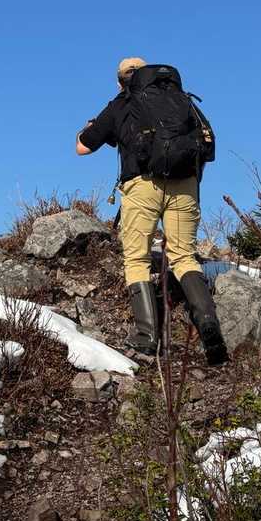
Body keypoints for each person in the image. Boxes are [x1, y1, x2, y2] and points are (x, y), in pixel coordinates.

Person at [76, 57, 228, 366]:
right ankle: (208, 323)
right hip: (185, 183)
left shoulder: (121, 103)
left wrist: (92, 127)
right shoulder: (181, 100)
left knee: (137, 259)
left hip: (142, 185)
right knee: (184, 257)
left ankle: (146, 338)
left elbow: (82, 147)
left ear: (120, 81)